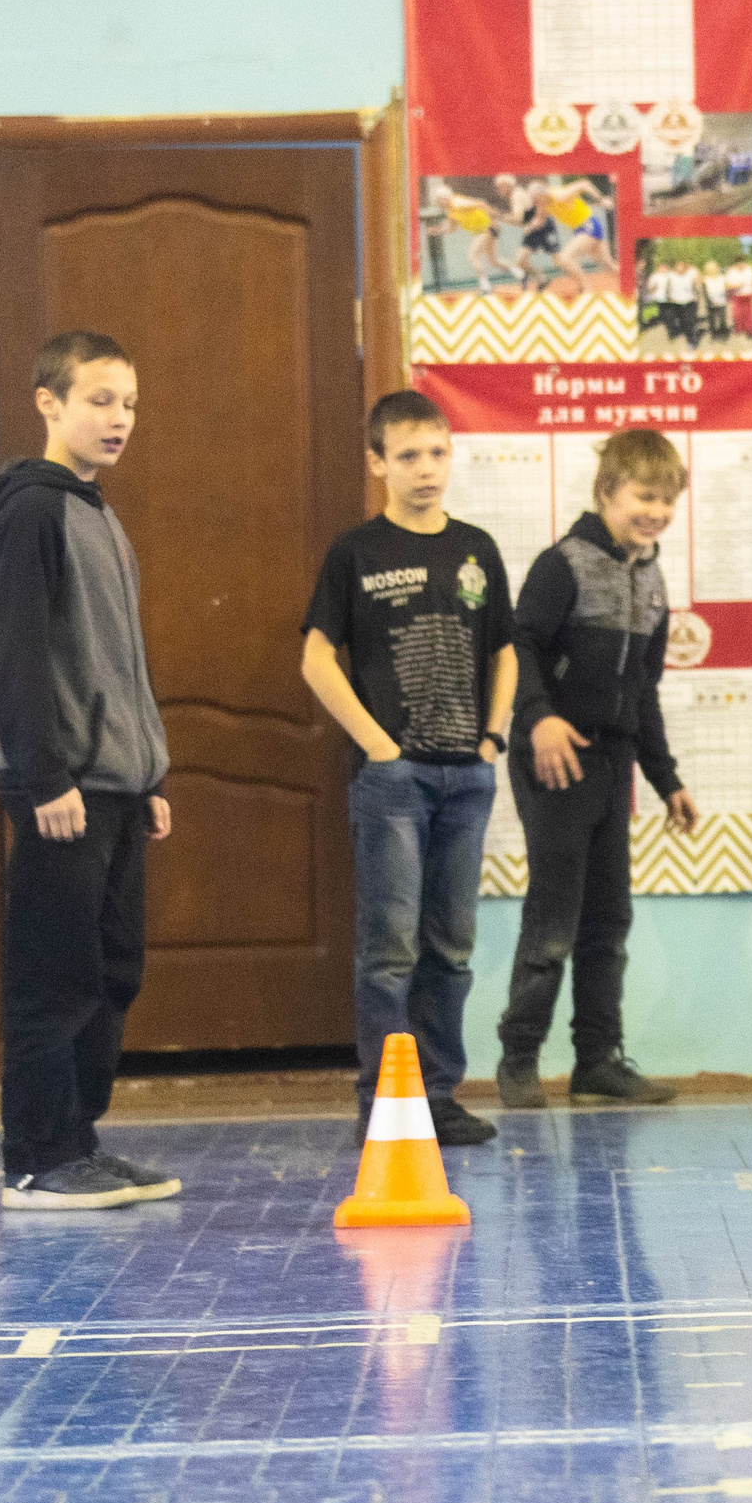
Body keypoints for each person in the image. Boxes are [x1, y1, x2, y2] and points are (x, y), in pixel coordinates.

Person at [0, 331, 183, 1211]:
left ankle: (77, 1142)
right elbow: (16, 657)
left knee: (110, 971)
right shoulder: (33, 510)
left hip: (113, 785)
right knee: (54, 975)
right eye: (99, 399)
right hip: (62, 785)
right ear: (49, 402)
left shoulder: (97, 511)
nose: (118, 418)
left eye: (129, 403)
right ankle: (36, 1159)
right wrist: (46, 778)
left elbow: (115, 663)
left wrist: (149, 777)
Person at [301, 391, 517, 1146]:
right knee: (390, 949)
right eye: (408, 456)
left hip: (468, 776)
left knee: (451, 947)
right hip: (394, 781)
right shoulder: (355, 553)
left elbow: (504, 650)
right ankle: (385, 1104)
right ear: (377, 463)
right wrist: (378, 746)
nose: (427, 469)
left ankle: (439, 1095)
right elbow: (316, 657)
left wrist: (492, 739)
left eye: (438, 453)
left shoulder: (477, 549)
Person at [497, 430, 702, 1109]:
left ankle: (597, 1061)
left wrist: (667, 780)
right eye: (645, 496)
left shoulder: (652, 578)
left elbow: (643, 691)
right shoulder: (564, 564)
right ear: (607, 491)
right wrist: (538, 718)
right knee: (554, 918)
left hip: (612, 765)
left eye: (667, 501)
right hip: (555, 759)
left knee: (609, 919)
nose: (657, 512)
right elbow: (518, 645)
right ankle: (519, 1058)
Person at [662, 258, 703, 352]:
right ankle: (678, 333)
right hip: (676, 303)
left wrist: (696, 296)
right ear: (675, 268)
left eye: (682, 267)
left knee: (690, 322)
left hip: (689, 302)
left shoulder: (689, 276)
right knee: (681, 321)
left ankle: (691, 341)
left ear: (685, 268)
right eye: (678, 267)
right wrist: (669, 298)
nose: (680, 269)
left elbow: (695, 287)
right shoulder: (671, 276)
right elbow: (667, 289)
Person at [725, 258, 752, 347]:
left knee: (749, 313)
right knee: (737, 314)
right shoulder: (731, 272)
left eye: (742, 263)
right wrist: (737, 285)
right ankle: (739, 328)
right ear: (736, 264)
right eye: (739, 263)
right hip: (737, 295)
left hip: (748, 294)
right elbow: (727, 285)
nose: (741, 265)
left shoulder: (749, 270)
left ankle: (750, 330)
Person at [701, 255, 731, 345]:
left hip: (721, 302)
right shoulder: (705, 279)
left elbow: (727, 288)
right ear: (707, 270)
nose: (712, 270)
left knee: (722, 320)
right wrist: (709, 302)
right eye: (710, 269)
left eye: (714, 268)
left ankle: (723, 336)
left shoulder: (722, 277)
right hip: (710, 303)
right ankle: (713, 336)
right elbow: (705, 293)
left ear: (717, 269)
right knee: (712, 321)